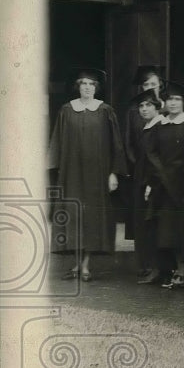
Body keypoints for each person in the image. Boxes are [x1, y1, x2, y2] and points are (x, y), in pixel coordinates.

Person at [49, 68, 127, 281]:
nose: (87, 87)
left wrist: (114, 173)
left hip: (97, 175)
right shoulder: (67, 110)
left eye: (91, 84)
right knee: (74, 216)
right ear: (78, 86)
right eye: (83, 83)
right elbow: (57, 142)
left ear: (96, 88)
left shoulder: (105, 111)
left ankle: (85, 266)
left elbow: (116, 145)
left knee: (92, 218)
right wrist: (57, 171)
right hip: (71, 174)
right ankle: (76, 264)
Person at [144, 81, 184, 288]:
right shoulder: (160, 125)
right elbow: (152, 153)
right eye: (169, 99)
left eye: (177, 99)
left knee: (183, 227)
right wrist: (159, 176)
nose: (173, 103)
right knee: (166, 228)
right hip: (163, 184)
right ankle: (172, 268)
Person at [123, 65, 165, 284]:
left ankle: (160, 265)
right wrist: (137, 166)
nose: (150, 87)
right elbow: (129, 143)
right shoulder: (135, 111)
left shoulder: (168, 109)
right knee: (141, 220)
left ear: (160, 85)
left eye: (153, 84)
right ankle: (145, 264)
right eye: (146, 84)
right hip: (140, 171)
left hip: (158, 173)